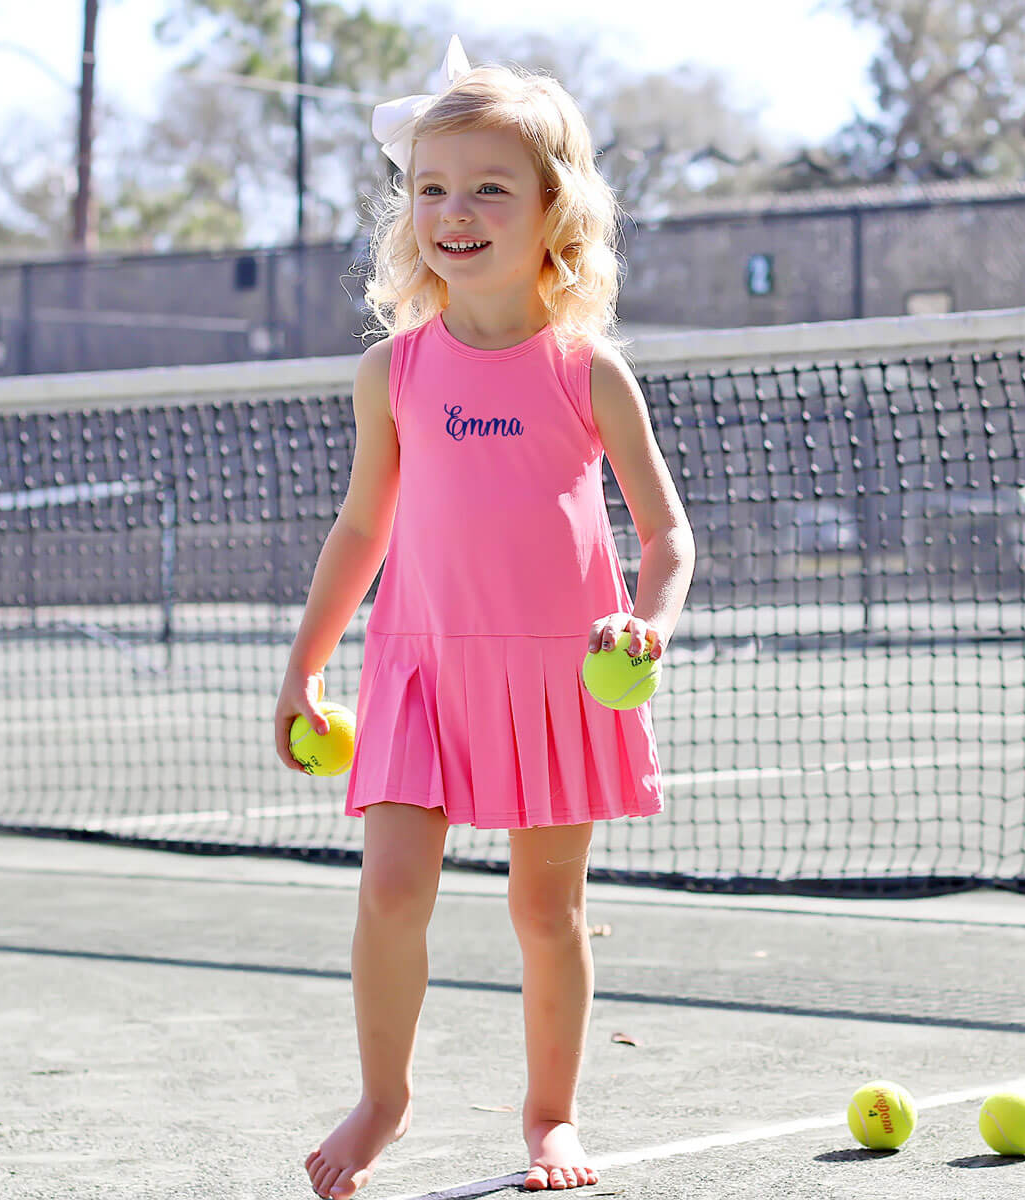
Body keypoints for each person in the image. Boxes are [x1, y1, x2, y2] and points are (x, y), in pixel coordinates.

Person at [274, 36, 696, 1199]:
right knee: (391, 890)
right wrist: (304, 667)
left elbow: (668, 537)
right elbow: (362, 531)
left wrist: (648, 627)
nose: (454, 212)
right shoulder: (393, 373)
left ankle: (551, 1117)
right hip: (417, 671)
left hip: (559, 678)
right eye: (431, 188)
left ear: (552, 208)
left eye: (489, 187)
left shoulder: (586, 370)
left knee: (544, 909)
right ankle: (384, 1100)